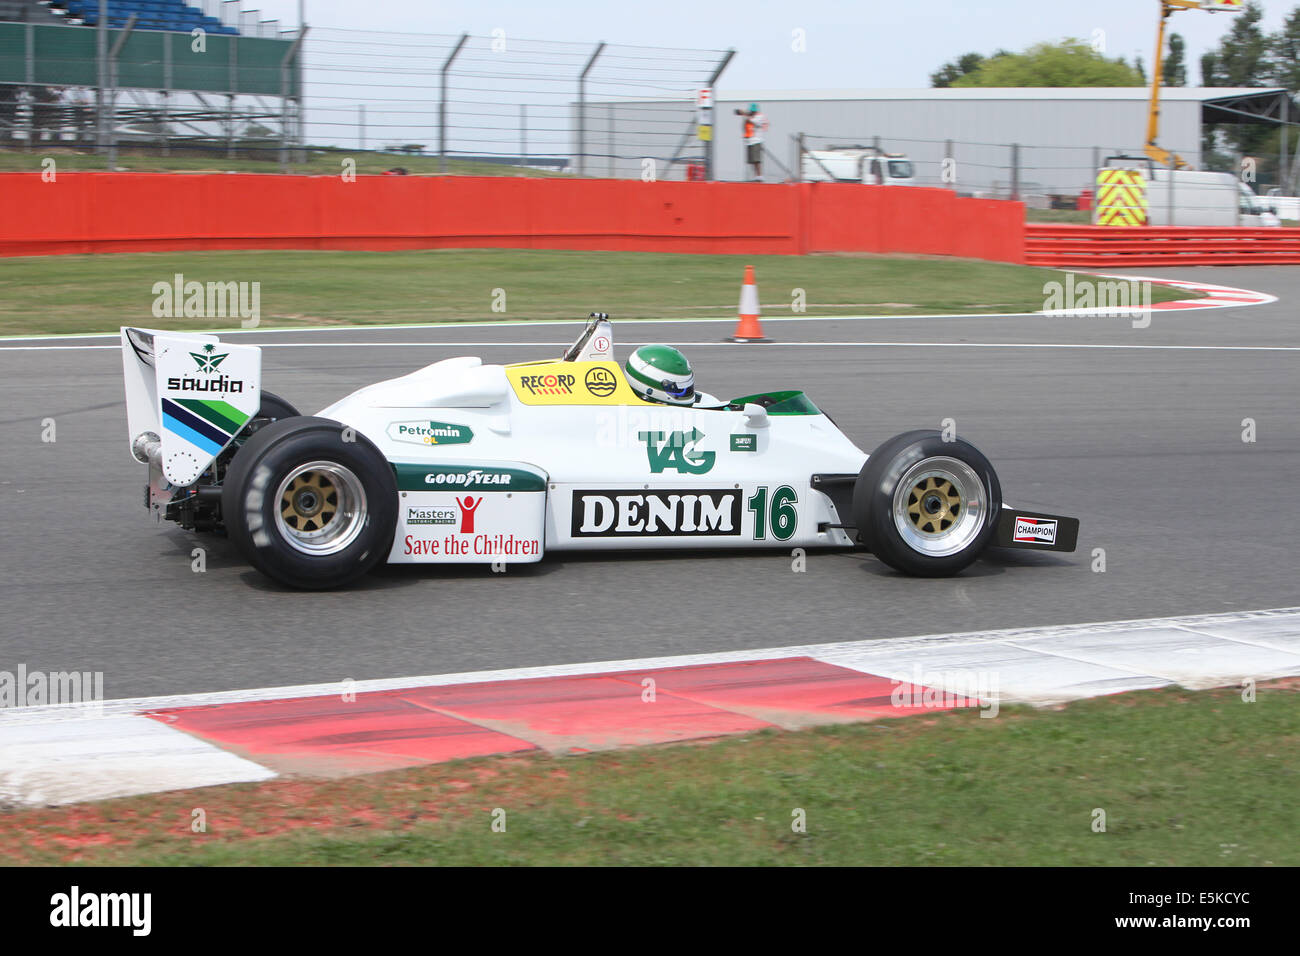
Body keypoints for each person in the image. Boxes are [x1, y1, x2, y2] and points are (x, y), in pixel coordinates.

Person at [625, 345, 723, 407]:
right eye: (677, 390)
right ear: (648, 388)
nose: (684, 392)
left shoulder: (709, 401)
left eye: (687, 387)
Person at [735, 103, 768, 182]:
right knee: (752, 160)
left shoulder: (760, 116)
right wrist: (742, 113)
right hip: (749, 141)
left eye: (753, 111)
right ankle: (756, 176)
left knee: (756, 160)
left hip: (756, 140)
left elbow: (753, 122)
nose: (752, 112)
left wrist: (745, 114)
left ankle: (760, 175)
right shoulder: (749, 116)